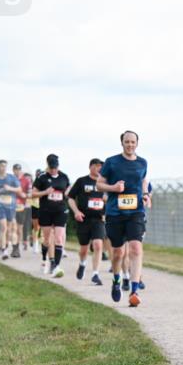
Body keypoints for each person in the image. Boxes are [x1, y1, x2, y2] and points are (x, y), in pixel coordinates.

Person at [96, 130, 149, 307]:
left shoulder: (142, 162)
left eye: (133, 142)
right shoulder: (112, 162)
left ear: (137, 143)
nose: (130, 145)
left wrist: (146, 194)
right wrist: (113, 188)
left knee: (135, 248)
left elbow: (143, 181)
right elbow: (99, 183)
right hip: (115, 213)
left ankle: (134, 290)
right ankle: (117, 280)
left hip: (136, 212)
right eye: (127, 142)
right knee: (118, 252)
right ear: (122, 143)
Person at [67, 158, 107, 285]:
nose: (99, 168)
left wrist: (106, 212)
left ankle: (95, 274)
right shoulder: (82, 181)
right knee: (83, 248)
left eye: (101, 166)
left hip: (99, 219)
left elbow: (111, 199)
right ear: (90, 167)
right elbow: (70, 198)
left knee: (98, 245)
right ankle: (82, 263)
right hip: (84, 219)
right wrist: (76, 212)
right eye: (96, 166)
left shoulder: (106, 183)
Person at [30, 154, 71, 278]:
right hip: (46, 211)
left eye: (56, 167)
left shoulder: (64, 176)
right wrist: (45, 192)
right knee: (47, 239)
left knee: (58, 237)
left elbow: (68, 190)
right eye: (52, 167)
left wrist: (69, 192)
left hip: (60, 210)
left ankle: (56, 265)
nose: (54, 170)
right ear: (48, 165)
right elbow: (33, 194)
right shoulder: (42, 177)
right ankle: (46, 259)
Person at [0, 159, 22, 259]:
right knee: (3, 227)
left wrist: (10, 188)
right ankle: (4, 250)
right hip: (0, 206)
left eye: (5, 166)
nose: (3, 168)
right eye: (1, 166)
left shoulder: (12, 178)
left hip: (11, 206)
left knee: (10, 229)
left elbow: (19, 189)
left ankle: (10, 247)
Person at [14, 164, 33, 250]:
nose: (17, 171)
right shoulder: (10, 179)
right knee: (12, 226)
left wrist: (24, 195)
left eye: (19, 169)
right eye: (16, 169)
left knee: (20, 227)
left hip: (22, 206)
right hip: (11, 206)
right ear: (13, 170)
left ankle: (19, 244)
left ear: (21, 170)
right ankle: (14, 244)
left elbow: (30, 193)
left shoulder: (26, 181)